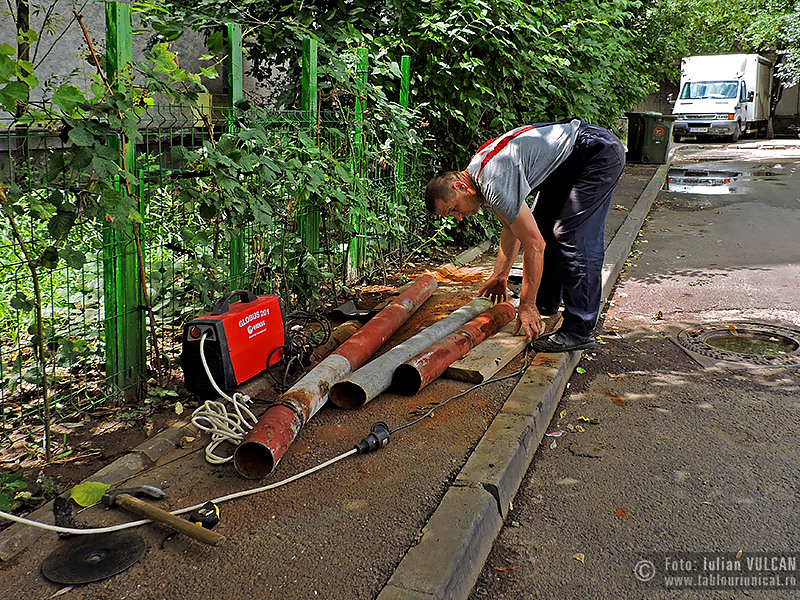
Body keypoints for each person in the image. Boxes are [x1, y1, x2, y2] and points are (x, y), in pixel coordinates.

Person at [425, 118, 625, 352]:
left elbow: (533, 245)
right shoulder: (478, 174)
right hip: (569, 161)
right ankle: (547, 302)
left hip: (595, 153)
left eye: (453, 209)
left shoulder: (493, 182)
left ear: (460, 187)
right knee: (541, 225)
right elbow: (511, 228)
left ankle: (579, 329)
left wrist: (526, 305)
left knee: (572, 237)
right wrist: (500, 276)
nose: (459, 217)